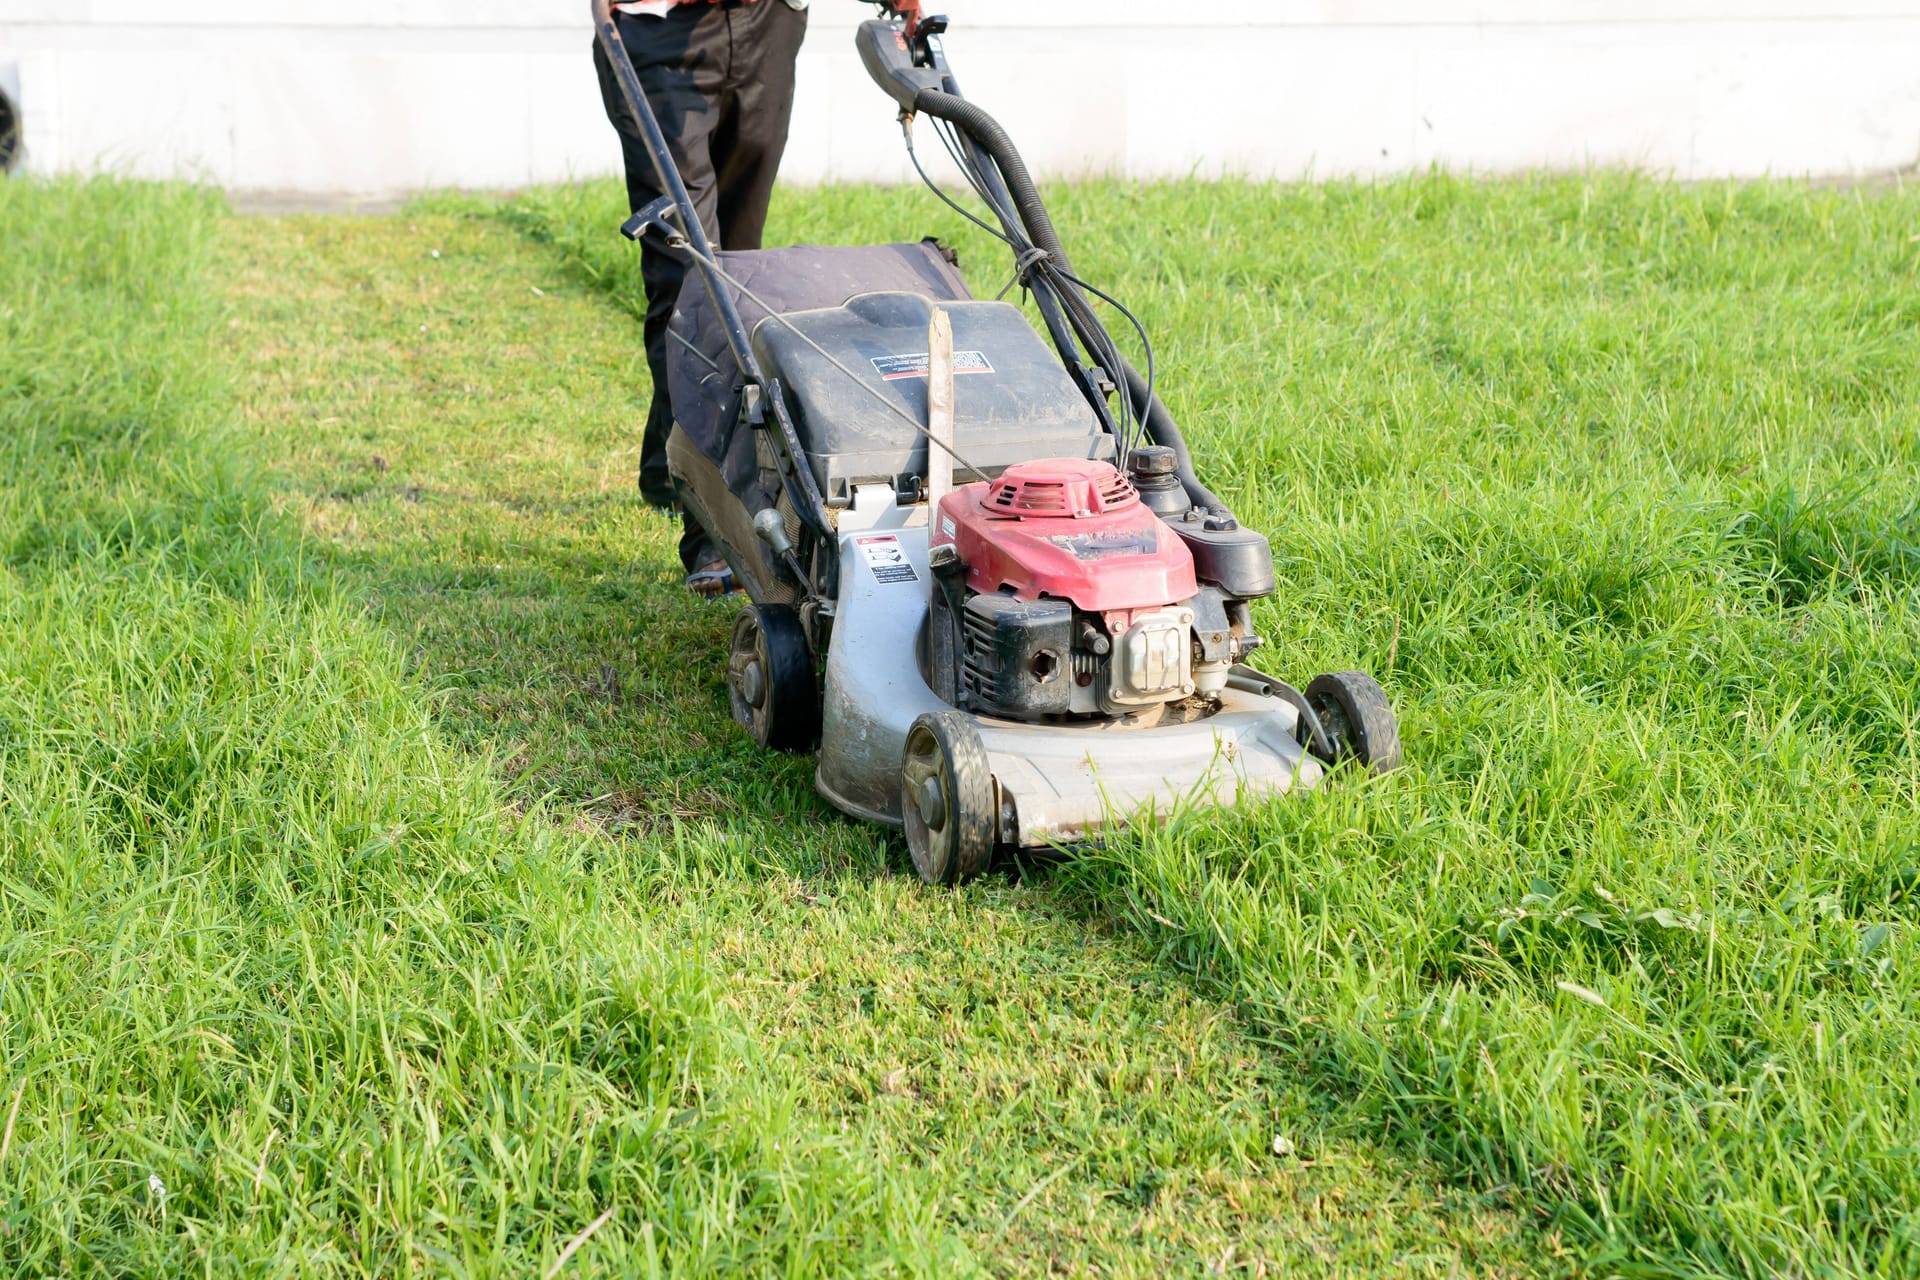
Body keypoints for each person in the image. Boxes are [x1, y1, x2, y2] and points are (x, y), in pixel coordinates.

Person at [593, 0, 809, 595]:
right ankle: (713, 532)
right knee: (693, 280)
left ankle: (668, 465)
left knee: (738, 270)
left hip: (769, 21)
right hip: (660, 27)